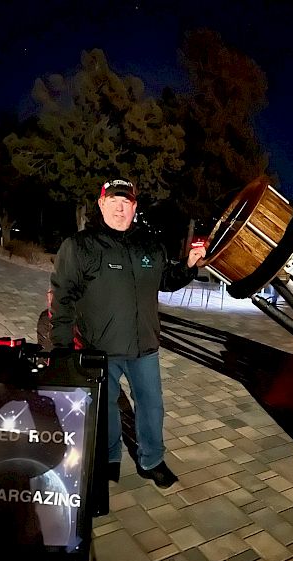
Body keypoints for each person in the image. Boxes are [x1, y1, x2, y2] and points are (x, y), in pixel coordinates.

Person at [50, 177, 206, 488]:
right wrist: (62, 349)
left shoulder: (149, 245)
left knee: (152, 407)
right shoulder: (79, 247)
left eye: (127, 202)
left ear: (134, 206)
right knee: (106, 409)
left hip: (144, 347)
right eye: (114, 201)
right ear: (101, 203)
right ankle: (109, 458)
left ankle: (152, 460)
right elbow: (62, 298)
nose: (120, 208)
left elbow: (166, 280)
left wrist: (188, 266)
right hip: (99, 348)